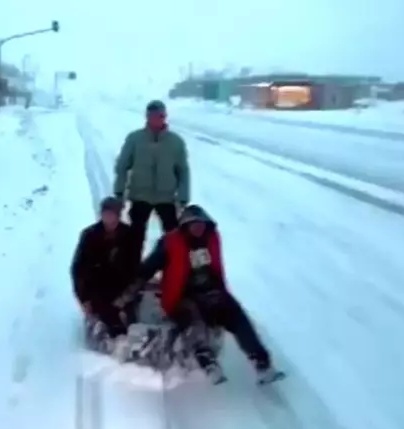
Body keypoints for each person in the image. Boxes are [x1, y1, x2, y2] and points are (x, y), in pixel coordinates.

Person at [114, 204, 284, 385]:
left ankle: (261, 362)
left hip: (211, 292)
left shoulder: (211, 239)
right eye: (193, 224)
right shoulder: (170, 243)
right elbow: (148, 268)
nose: (198, 228)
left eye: (201, 224)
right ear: (185, 226)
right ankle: (208, 363)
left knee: (237, 316)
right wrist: (129, 291)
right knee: (193, 320)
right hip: (181, 295)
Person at [113, 99, 190, 268]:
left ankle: (173, 272)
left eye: (161, 116)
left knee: (173, 238)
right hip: (140, 195)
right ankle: (132, 274)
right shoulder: (134, 139)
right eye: (153, 116)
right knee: (135, 237)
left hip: (166, 197)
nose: (157, 119)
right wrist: (120, 193)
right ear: (147, 117)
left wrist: (183, 197)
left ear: (165, 117)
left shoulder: (175, 142)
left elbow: (183, 170)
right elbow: (122, 166)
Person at [70, 197, 136, 342]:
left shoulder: (129, 234)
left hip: (121, 284)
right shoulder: (89, 235)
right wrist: (84, 298)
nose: (108, 217)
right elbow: (78, 269)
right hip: (97, 287)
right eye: (105, 213)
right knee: (110, 318)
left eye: (111, 214)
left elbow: (134, 264)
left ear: (118, 215)